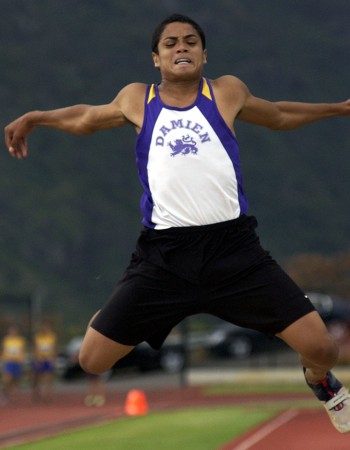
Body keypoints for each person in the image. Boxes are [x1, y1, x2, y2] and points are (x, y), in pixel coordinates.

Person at [4, 13, 350, 432]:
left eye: (190, 41)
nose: (181, 47)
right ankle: (116, 309)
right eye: (170, 43)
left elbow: (278, 114)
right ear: (156, 58)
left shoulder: (226, 92)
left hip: (235, 253)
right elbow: (85, 118)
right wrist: (37, 116)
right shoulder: (138, 99)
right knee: (91, 360)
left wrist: (338, 108)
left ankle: (318, 382)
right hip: (163, 259)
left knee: (323, 349)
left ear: (205, 54)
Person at [31, 321, 57, 403]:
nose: (46, 329)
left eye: (48, 327)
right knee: (37, 379)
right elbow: (35, 349)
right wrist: (37, 359)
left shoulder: (52, 336)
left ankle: (47, 396)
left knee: (48, 379)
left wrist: (53, 359)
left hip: (48, 359)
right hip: (40, 360)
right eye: (45, 327)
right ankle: (36, 394)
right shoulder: (38, 337)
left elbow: (53, 349)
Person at [1, 325, 27, 404]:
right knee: (7, 379)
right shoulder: (6, 340)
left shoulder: (21, 340)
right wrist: (2, 359)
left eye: (15, 331)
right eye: (12, 331)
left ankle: (9, 396)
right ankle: (4, 395)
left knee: (14, 381)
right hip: (8, 362)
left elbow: (22, 350)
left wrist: (22, 359)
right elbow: (3, 350)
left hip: (17, 362)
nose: (13, 332)